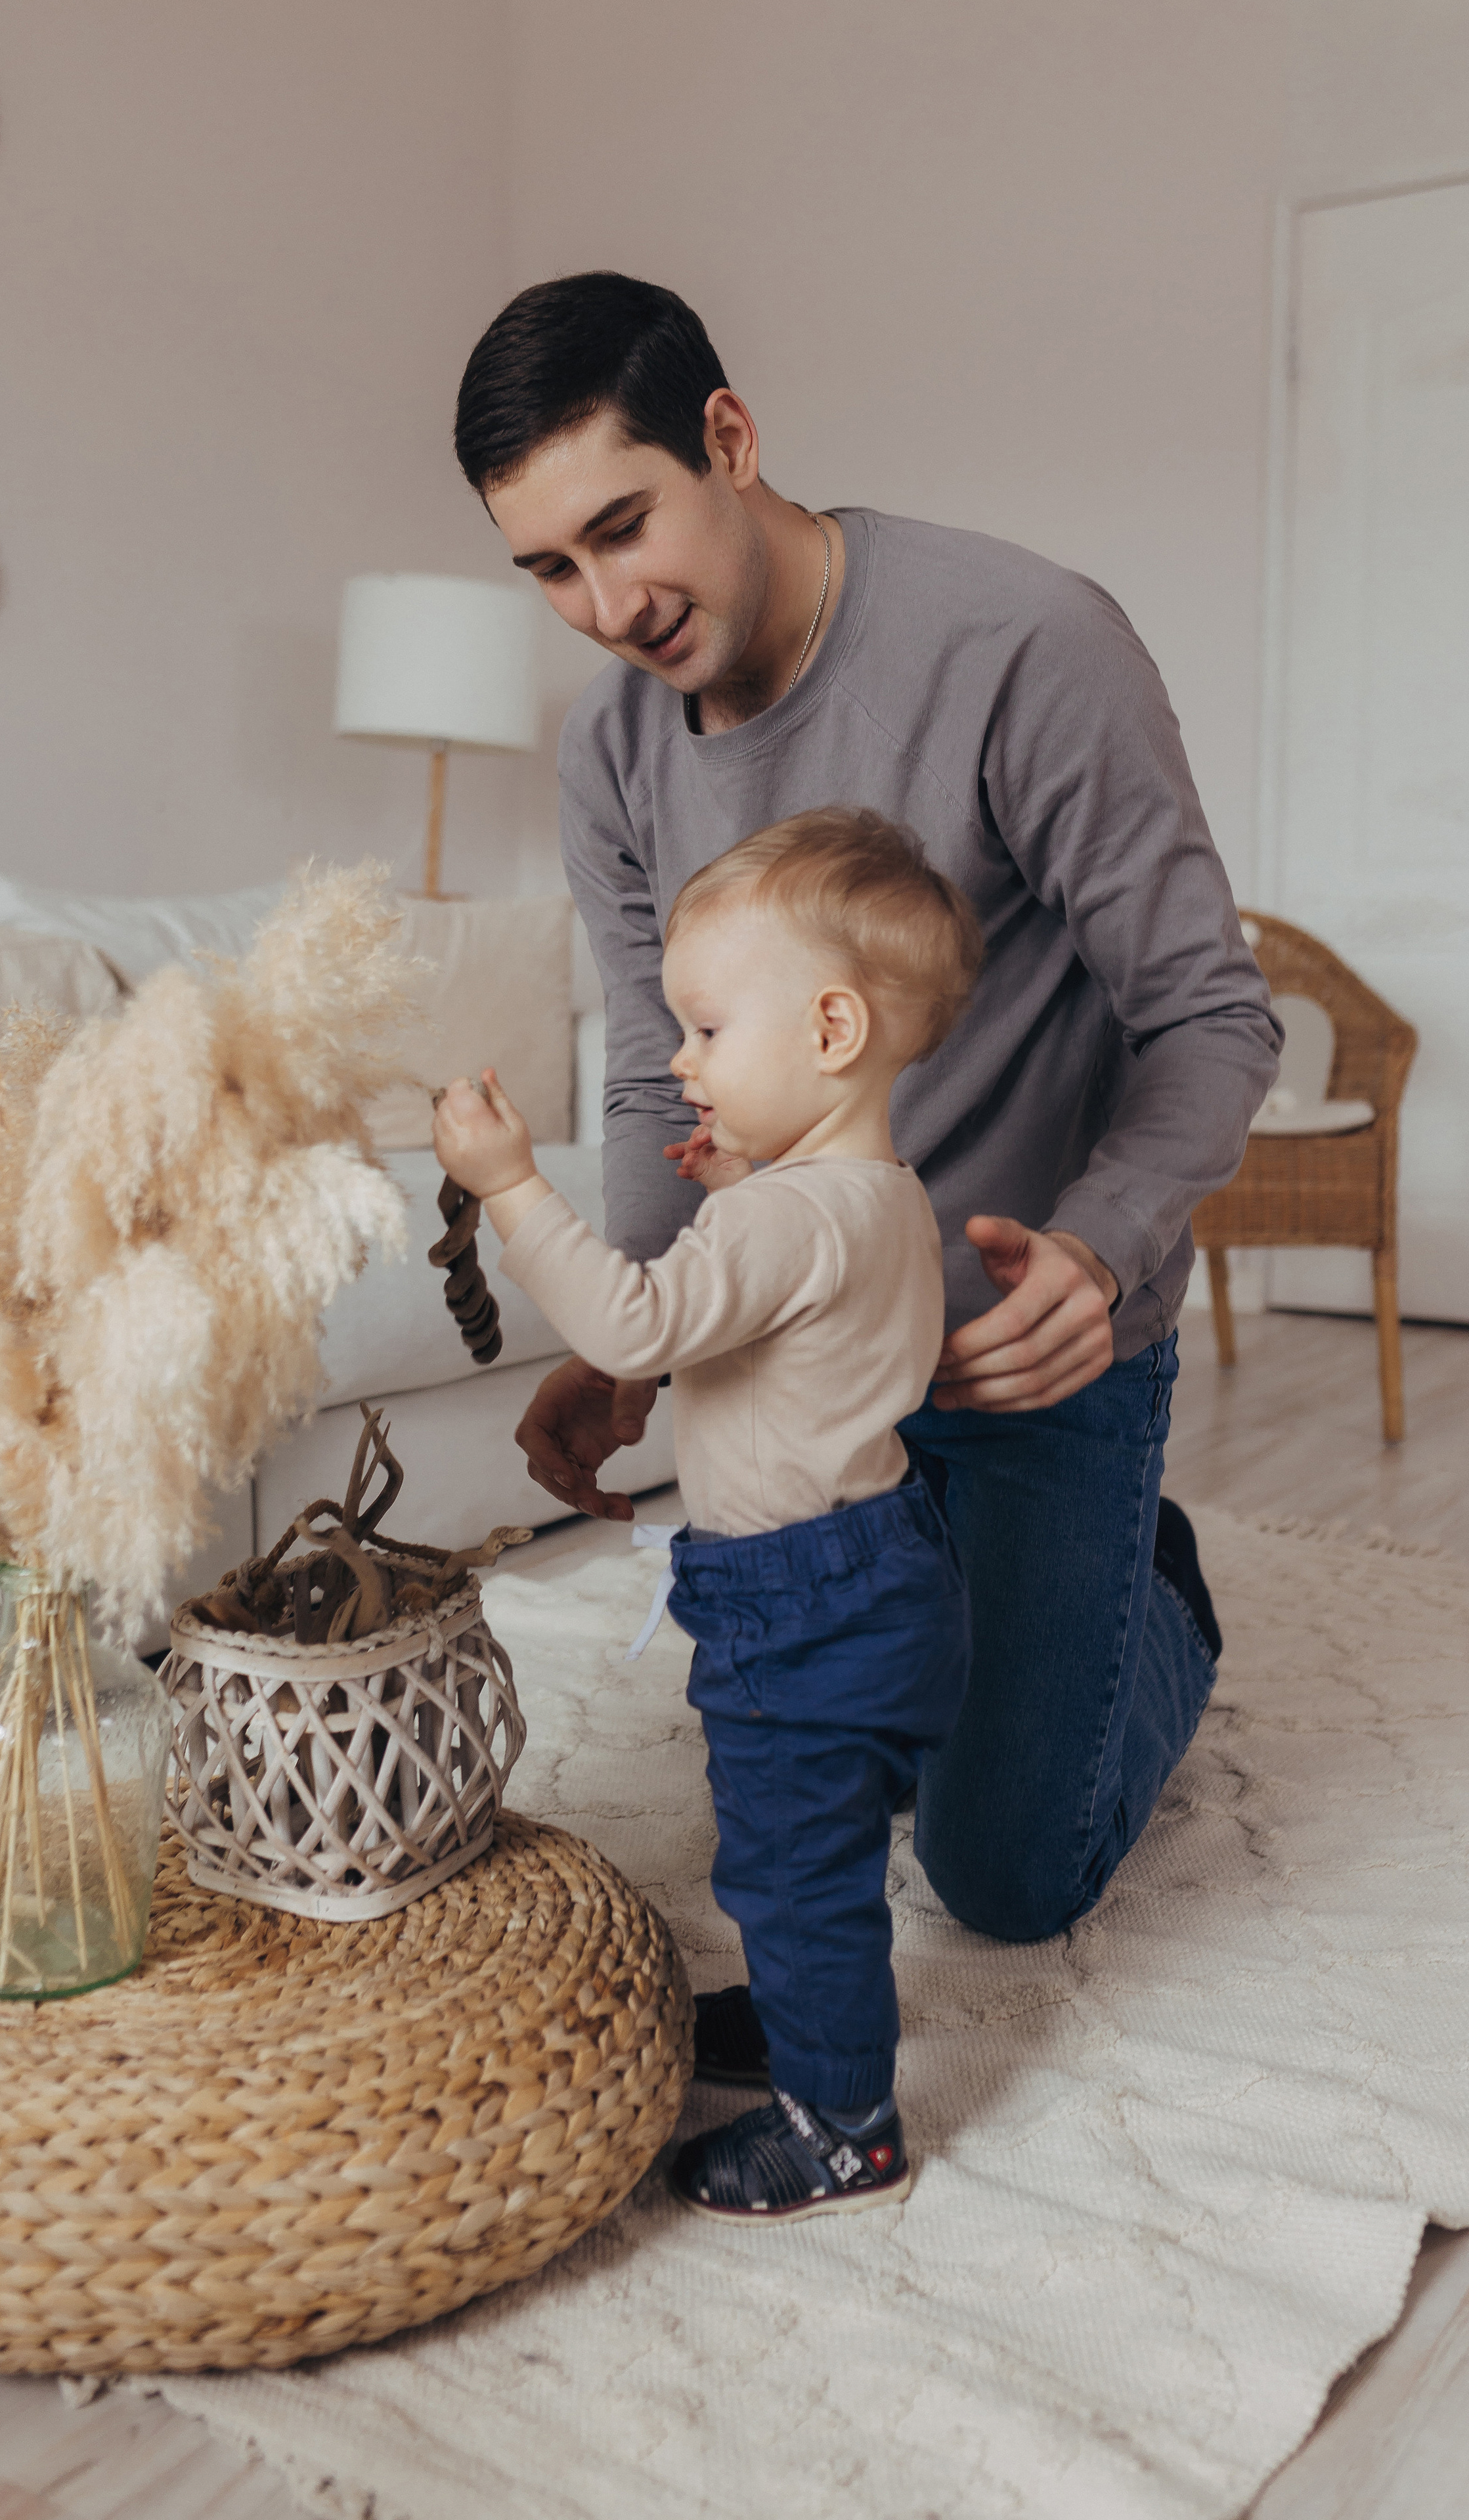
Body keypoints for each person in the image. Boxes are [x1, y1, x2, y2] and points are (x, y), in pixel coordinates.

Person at [450, 273, 1280, 2031]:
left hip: (1025, 1341)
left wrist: (1105, 1244)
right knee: (807, 1778)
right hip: (806, 1366)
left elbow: (1215, 1019)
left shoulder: (1023, 646)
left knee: (999, 1873)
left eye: (624, 527)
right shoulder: (608, 750)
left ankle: (1157, 1586)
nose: (607, 607)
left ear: (731, 441)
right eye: (549, 568)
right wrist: (630, 1341)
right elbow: (651, 1089)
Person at [433, 810, 980, 2221]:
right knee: (821, 1841)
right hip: (886, 1565)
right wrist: (744, 1184)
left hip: (794, 1598)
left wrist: (509, 1186)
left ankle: (842, 2122)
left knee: (791, 1860)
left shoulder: (775, 1225)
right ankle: (813, 2015)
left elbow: (627, 1316)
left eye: (707, 1031)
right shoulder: (872, 1194)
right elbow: (814, 1319)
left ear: (832, 1029)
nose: (679, 1062)